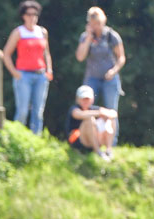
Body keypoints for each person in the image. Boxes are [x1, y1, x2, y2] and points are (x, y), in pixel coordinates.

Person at [75, 7, 125, 144]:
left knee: (111, 110)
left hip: (110, 78)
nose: (95, 26)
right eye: (92, 23)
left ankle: (112, 143)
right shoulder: (85, 37)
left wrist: (113, 71)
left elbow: (121, 58)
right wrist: (88, 38)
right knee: (88, 109)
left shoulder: (111, 36)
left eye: (97, 23)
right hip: (92, 78)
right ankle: (91, 141)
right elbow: (80, 57)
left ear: (103, 22)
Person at [3, 0, 53, 135]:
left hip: (40, 75)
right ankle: (17, 138)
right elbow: (6, 54)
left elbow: (46, 53)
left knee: (38, 111)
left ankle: (36, 140)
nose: (32, 17)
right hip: (23, 75)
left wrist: (49, 70)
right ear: (23, 16)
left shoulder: (42, 32)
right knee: (23, 110)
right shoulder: (18, 32)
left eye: (35, 14)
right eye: (29, 14)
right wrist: (14, 73)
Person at [66, 84, 117, 160]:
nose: (86, 101)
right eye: (83, 98)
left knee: (110, 119)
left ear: (92, 99)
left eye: (88, 98)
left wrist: (106, 115)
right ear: (78, 99)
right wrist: (100, 113)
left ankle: (108, 150)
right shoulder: (74, 108)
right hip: (76, 140)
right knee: (89, 119)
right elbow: (79, 114)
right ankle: (98, 151)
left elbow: (113, 113)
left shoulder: (93, 108)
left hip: (93, 139)